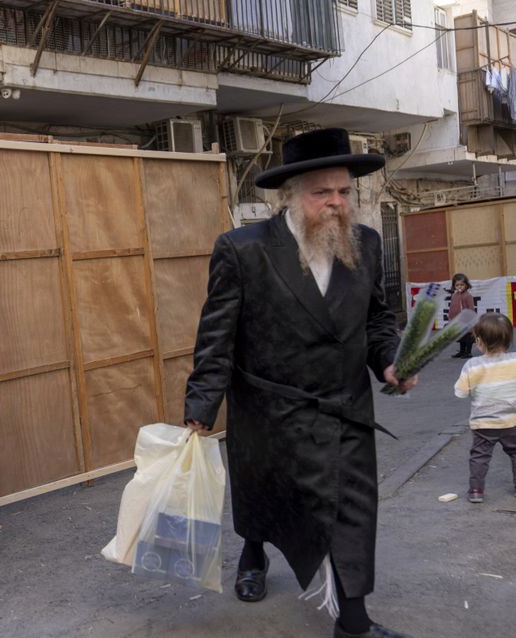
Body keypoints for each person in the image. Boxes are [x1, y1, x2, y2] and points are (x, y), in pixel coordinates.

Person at [183, 128, 417, 638]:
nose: (335, 203)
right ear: (291, 193)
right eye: (321, 192)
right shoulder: (243, 250)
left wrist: (391, 363)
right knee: (266, 496)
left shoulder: (367, 245)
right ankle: (253, 552)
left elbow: (378, 319)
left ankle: (352, 624)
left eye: (343, 192)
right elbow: (217, 335)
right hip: (272, 409)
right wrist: (201, 405)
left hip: (345, 408)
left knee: (352, 513)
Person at [454, 312, 516, 503]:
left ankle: (476, 491)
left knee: (479, 456)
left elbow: (461, 392)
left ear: (478, 341)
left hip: (484, 422)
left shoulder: (472, 365)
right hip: (512, 421)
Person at [449, 273, 476, 358]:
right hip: (458, 320)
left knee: (468, 336)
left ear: (466, 285)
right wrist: (450, 317)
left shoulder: (468, 296)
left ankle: (468, 352)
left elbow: (471, 308)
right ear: (454, 286)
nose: (459, 287)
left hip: (467, 320)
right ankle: (462, 351)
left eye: (462, 284)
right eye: (457, 285)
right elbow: (452, 307)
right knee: (461, 337)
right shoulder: (454, 296)